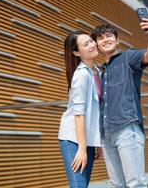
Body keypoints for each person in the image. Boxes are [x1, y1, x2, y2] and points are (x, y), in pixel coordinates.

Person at [91, 16, 148, 187]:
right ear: (97, 45)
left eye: (109, 36)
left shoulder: (128, 57)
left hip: (126, 130)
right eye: (100, 38)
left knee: (135, 183)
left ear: (117, 40)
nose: (105, 40)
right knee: (117, 185)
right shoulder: (102, 71)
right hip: (106, 136)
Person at [58, 31, 102, 188]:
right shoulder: (81, 75)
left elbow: (96, 111)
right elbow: (79, 114)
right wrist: (82, 148)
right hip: (73, 139)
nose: (92, 44)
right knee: (78, 186)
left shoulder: (96, 72)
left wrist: (97, 142)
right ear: (76, 52)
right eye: (86, 44)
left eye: (91, 41)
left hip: (87, 139)